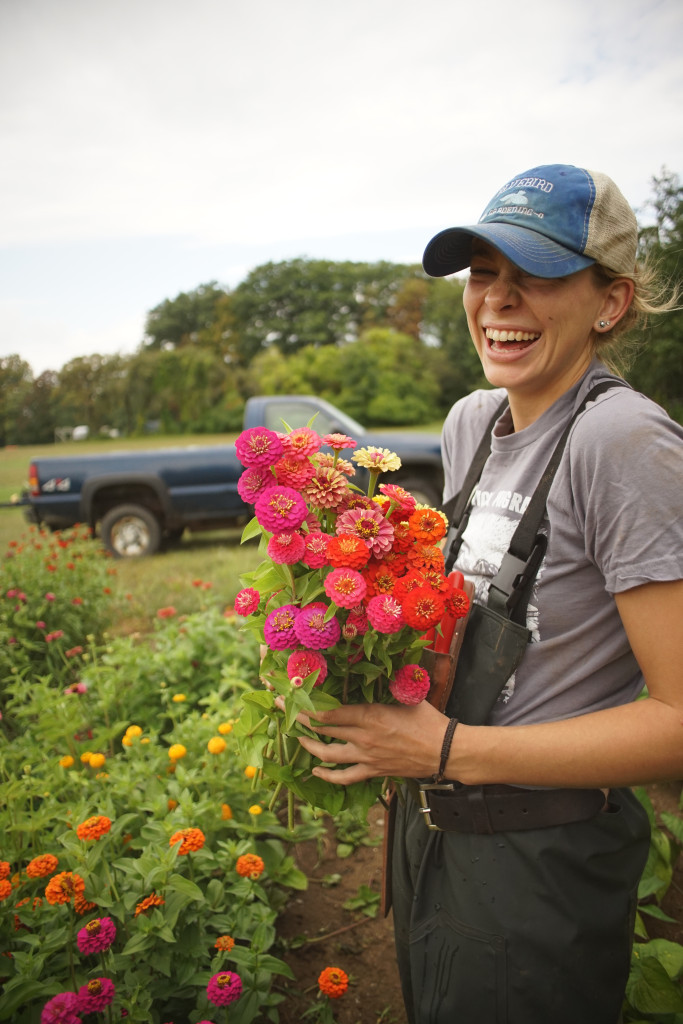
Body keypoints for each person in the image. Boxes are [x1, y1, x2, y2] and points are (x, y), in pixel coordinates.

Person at [296, 163, 683, 1023]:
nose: (498, 302)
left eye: (536, 276)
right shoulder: (472, 421)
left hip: (540, 857)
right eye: (483, 274)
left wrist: (443, 752)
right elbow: (470, 608)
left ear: (609, 302)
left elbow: (678, 719)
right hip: (435, 833)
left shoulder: (621, 441)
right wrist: (357, 647)